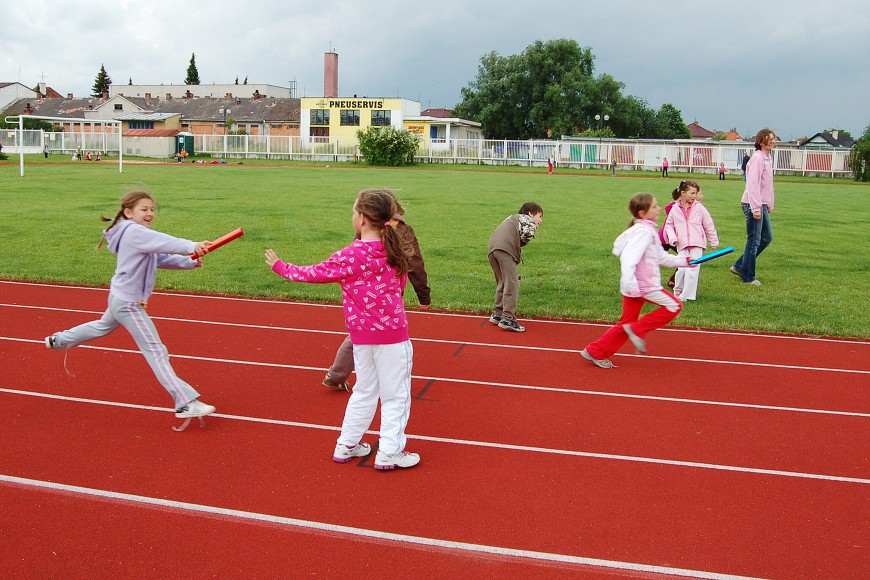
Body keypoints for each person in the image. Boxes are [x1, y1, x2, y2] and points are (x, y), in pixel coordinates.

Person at [265, 188, 420, 470]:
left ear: (362, 219)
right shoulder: (395, 253)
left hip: (362, 339)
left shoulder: (350, 256)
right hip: (393, 338)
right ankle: (389, 451)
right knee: (396, 395)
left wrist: (281, 267)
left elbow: (312, 273)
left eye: (353, 213)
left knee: (364, 391)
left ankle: (347, 444)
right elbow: (400, 288)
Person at [44, 191, 217, 421]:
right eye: (144, 209)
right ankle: (184, 402)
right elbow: (165, 242)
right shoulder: (135, 232)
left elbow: (158, 257)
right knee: (156, 350)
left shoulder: (134, 233)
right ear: (129, 212)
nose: (150, 213)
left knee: (101, 326)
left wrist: (187, 262)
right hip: (128, 304)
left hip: (119, 298)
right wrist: (192, 245)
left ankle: (59, 340)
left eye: (152, 209)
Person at [322, 190, 431, 392]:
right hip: (388, 293)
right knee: (381, 337)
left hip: (365, 291)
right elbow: (415, 262)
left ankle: (338, 374)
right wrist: (423, 294)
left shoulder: (372, 224)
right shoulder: (403, 230)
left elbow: (358, 249)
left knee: (363, 334)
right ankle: (358, 377)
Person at [580, 193, 695, 369]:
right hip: (641, 286)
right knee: (675, 306)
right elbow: (628, 259)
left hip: (635, 286)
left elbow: (662, 257)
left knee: (625, 324)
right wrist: (631, 285)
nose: (658, 209)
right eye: (654, 206)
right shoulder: (643, 232)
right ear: (642, 213)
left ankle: (596, 351)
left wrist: (685, 261)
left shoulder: (648, 231)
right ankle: (638, 329)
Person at [487, 202, 544, 333]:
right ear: (530, 213)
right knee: (512, 283)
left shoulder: (512, 219)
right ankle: (507, 318)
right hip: (505, 249)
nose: (540, 221)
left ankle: (497, 313)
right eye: (539, 216)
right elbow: (526, 234)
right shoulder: (527, 219)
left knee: (502, 282)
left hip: (492, 248)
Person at [731, 129, 776, 286]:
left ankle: (739, 265)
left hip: (761, 203)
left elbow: (767, 185)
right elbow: (753, 184)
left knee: (767, 238)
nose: (772, 141)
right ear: (761, 141)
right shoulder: (757, 158)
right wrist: (756, 208)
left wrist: (769, 203)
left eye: (773, 139)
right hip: (752, 203)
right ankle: (748, 277)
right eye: (769, 139)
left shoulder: (767, 158)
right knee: (754, 241)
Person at [663, 180, 719, 300]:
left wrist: (713, 241)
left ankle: (687, 296)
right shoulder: (675, 208)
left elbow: (708, 224)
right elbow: (669, 225)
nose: (695, 196)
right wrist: (673, 238)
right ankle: (677, 291)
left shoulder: (699, 208)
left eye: (696, 193)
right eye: (692, 193)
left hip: (697, 243)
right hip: (682, 244)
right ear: (683, 193)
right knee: (681, 269)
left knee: (692, 270)